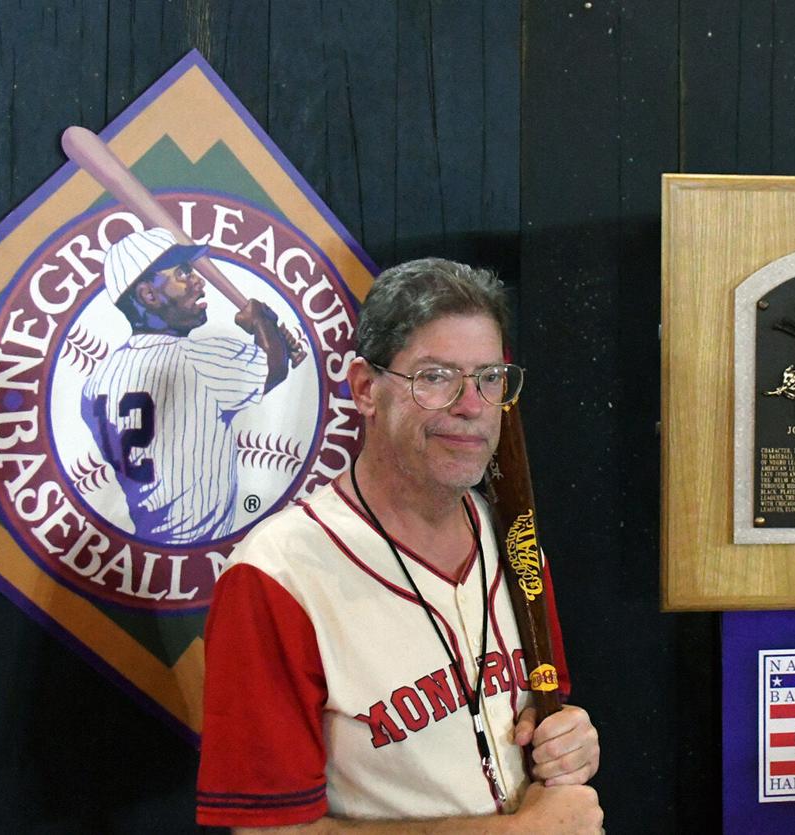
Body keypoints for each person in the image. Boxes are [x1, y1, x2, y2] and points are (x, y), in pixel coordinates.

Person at [196, 258, 602, 832]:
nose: (471, 406)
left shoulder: (513, 532)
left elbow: (542, 713)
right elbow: (268, 832)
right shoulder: (276, 576)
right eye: (435, 376)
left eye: (489, 377)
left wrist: (569, 740)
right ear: (365, 388)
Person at [83, 227, 294, 544]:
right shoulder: (198, 358)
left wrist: (272, 334)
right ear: (149, 296)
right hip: (202, 545)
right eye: (183, 273)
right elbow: (273, 368)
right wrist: (261, 322)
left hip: (150, 546)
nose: (199, 281)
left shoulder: (95, 382)